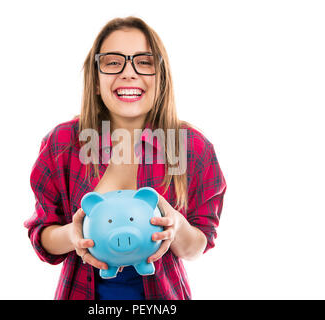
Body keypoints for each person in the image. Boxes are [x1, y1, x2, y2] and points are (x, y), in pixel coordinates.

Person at [24, 16, 227, 300]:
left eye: (144, 62)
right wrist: (73, 234)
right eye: (112, 62)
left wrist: (177, 226)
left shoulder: (193, 147)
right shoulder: (62, 144)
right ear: (96, 81)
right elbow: (42, 235)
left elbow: (198, 245)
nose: (128, 73)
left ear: (162, 79)